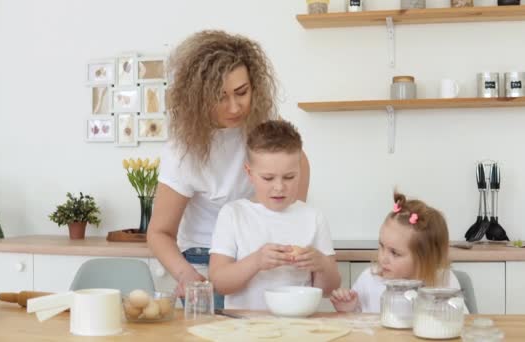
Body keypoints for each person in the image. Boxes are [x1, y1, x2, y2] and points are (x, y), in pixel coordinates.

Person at [146, 31, 310, 307]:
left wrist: (289, 233)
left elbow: (299, 171)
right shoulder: (183, 150)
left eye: (241, 92)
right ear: (197, 97)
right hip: (205, 260)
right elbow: (159, 232)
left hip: (262, 258)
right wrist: (188, 276)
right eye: (220, 97)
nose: (235, 107)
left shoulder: (265, 126)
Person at [208, 120, 340, 310]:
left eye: (289, 177)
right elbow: (219, 283)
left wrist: (321, 265)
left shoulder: (313, 217)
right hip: (244, 328)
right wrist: (256, 261)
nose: (279, 187)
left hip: (299, 327)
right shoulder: (233, 214)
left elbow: (328, 289)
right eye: (268, 178)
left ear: (300, 172)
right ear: (249, 172)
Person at [330, 191, 461, 313]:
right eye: (381, 246)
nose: (383, 258)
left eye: (395, 253)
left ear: (426, 258)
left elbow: (461, 322)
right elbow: (358, 328)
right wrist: (349, 309)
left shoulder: (444, 281)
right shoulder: (369, 280)